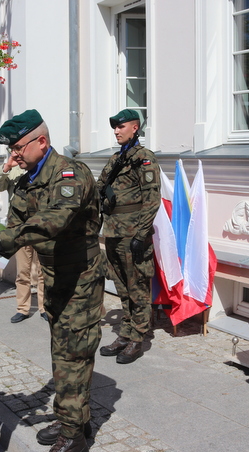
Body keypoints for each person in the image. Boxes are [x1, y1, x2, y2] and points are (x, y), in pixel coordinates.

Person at [0, 109, 104, 452]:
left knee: (73, 355)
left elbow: (55, 219)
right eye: (10, 150)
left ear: (42, 141)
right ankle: (73, 419)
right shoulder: (27, 179)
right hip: (53, 277)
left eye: (18, 148)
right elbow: (14, 229)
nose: (13, 156)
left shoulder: (71, 173)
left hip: (79, 278)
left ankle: (75, 436)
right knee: (62, 351)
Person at [96, 109, 161, 364]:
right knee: (122, 287)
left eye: (121, 126)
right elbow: (99, 188)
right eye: (114, 127)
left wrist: (142, 234)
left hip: (133, 234)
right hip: (113, 232)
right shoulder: (116, 159)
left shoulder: (144, 159)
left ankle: (137, 338)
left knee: (138, 288)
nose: (116, 131)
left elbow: (152, 199)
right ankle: (125, 333)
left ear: (135, 128)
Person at [0, 154, 47, 323]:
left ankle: (44, 307)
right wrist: (7, 167)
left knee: (44, 272)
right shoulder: (14, 171)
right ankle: (23, 308)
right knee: (23, 271)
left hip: (41, 227)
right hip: (19, 229)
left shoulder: (45, 169)